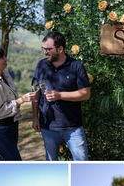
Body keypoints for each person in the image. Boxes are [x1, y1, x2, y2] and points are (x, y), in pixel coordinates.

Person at [32, 31, 90, 161]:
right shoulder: (41, 65)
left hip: (73, 126)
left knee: (82, 161)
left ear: (60, 49)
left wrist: (60, 95)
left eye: (48, 49)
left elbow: (86, 94)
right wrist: (35, 117)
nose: (45, 52)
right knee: (51, 163)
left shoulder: (76, 66)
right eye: (44, 49)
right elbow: (36, 91)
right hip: (48, 126)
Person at [0, 47, 36, 161]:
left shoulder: (4, 72)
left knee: (6, 162)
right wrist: (21, 100)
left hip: (12, 125)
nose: (6, 59)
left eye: (4, 56)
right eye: (1, 58)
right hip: (0, 131)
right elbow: (0, 111)